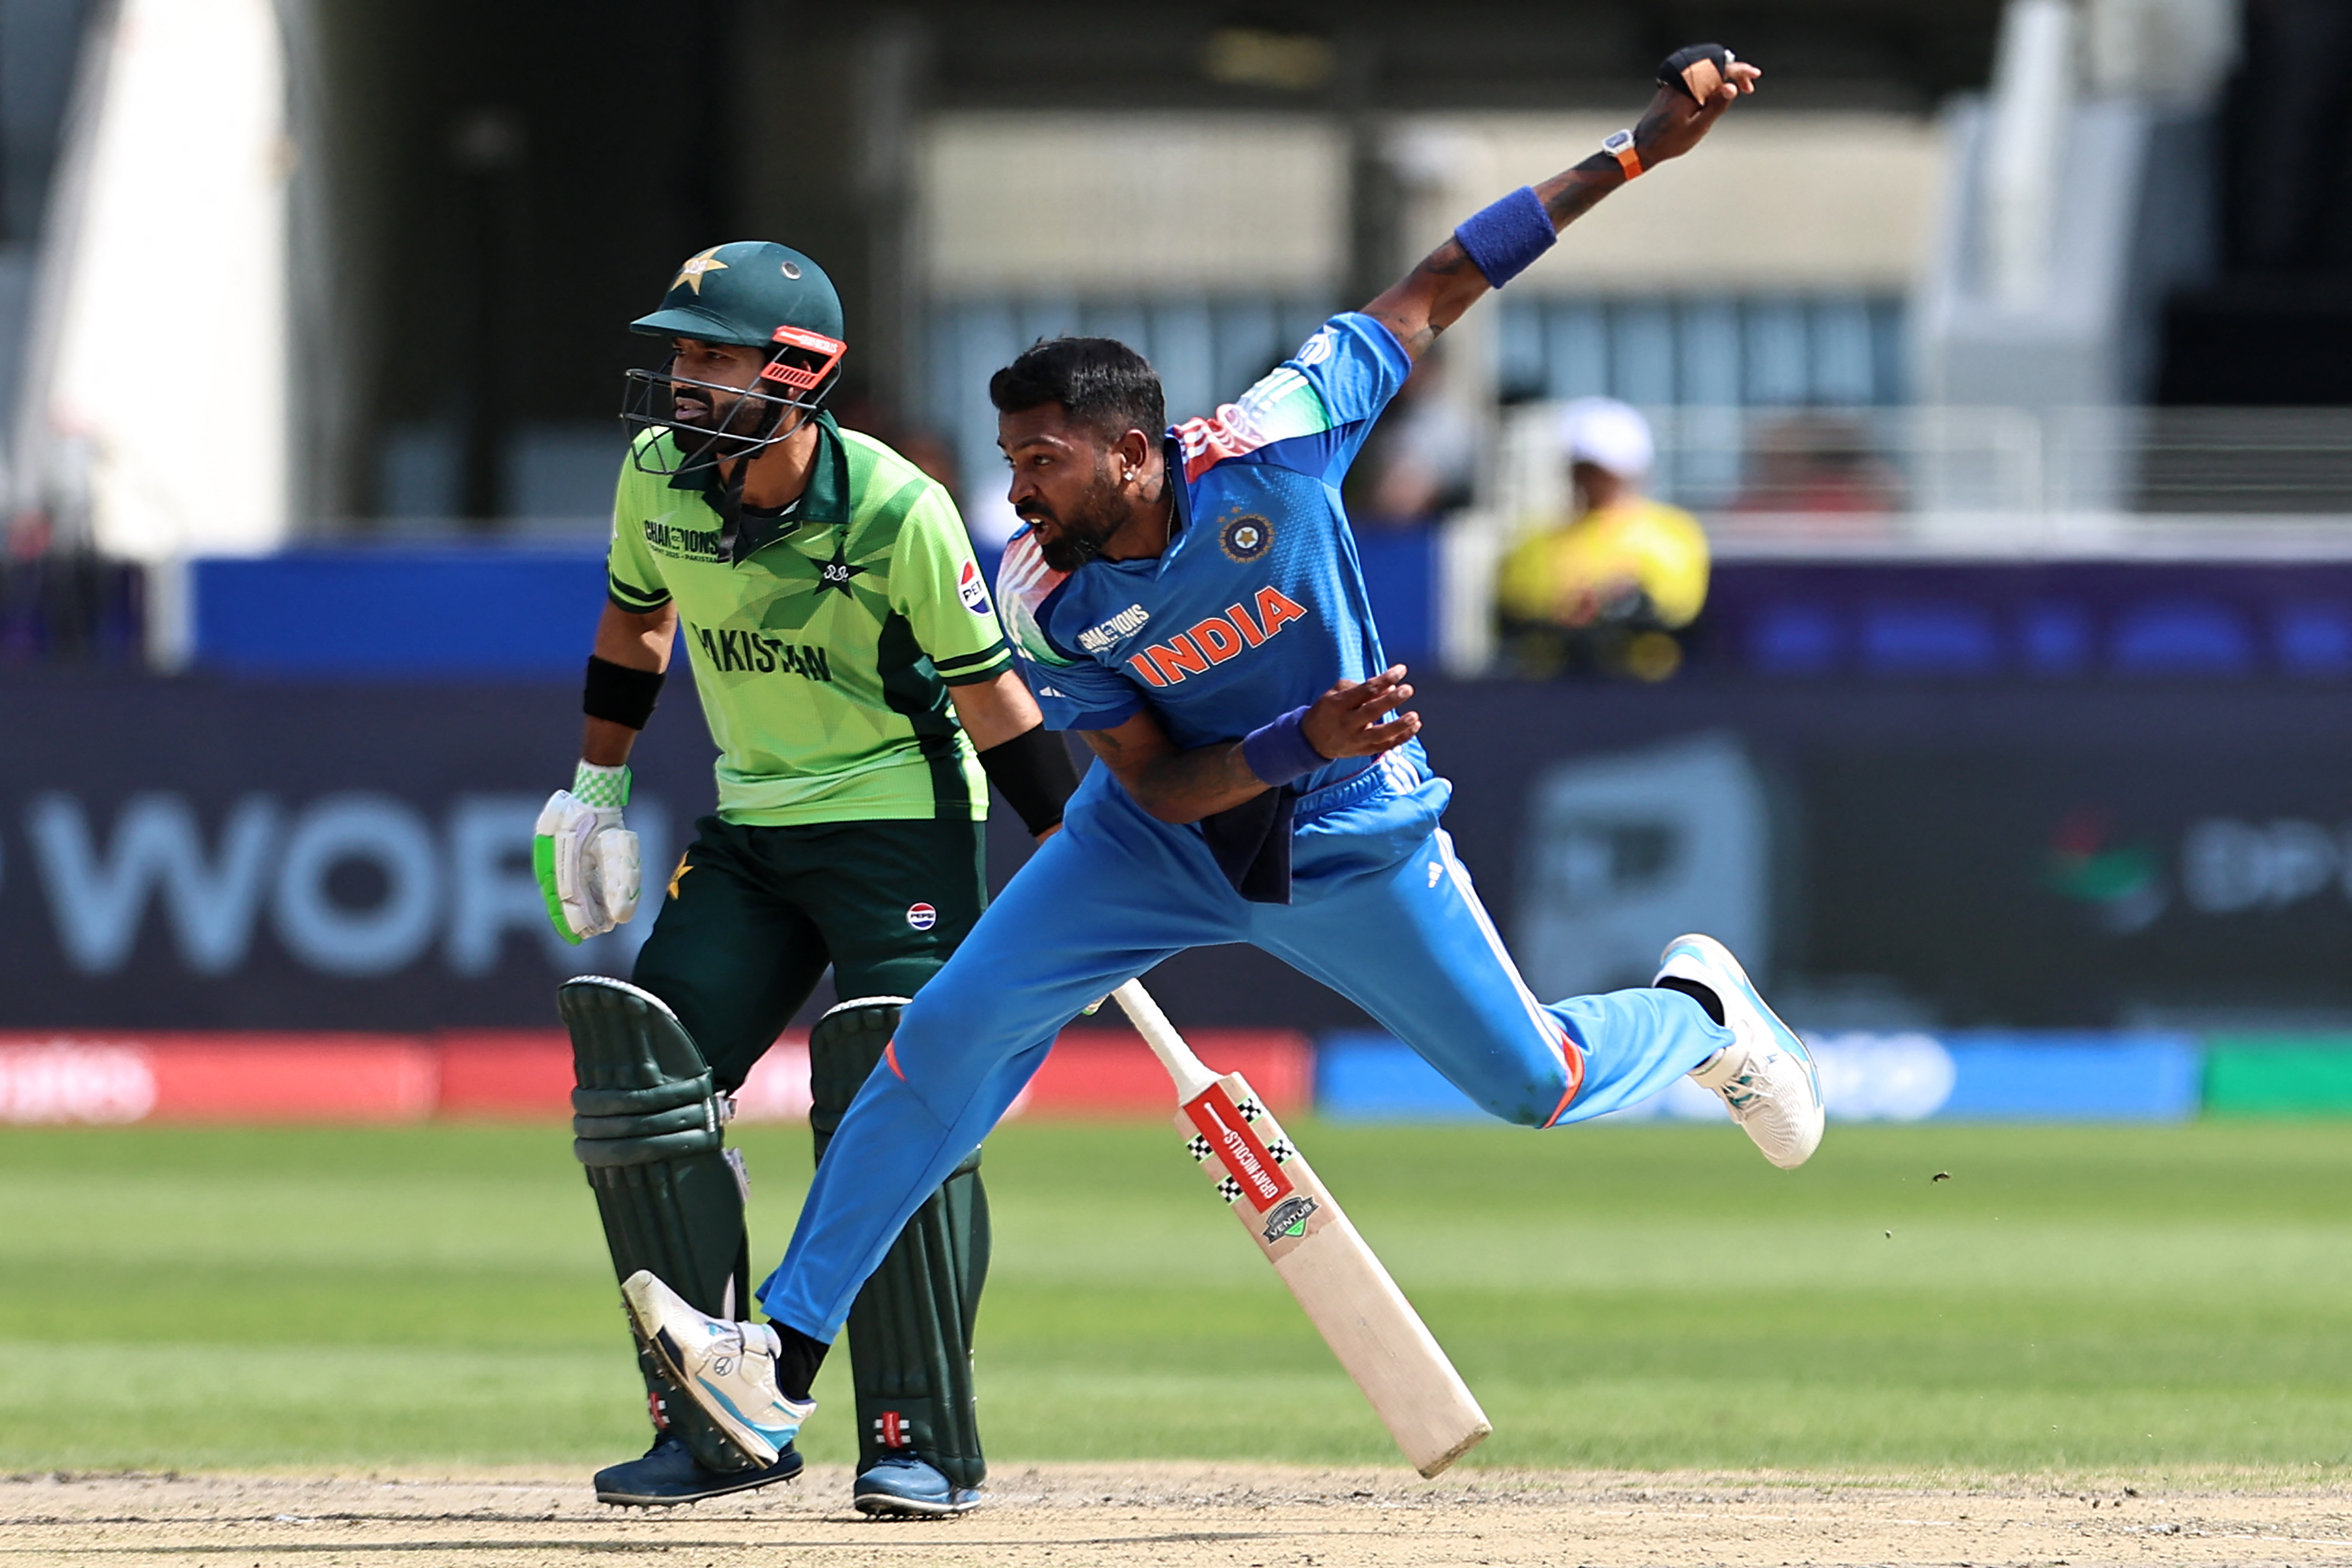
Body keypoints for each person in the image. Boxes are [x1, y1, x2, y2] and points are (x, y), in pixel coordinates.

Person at [622, 47, 1824, 1467]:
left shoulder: (1279, 438)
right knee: (943, 1038)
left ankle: (1697, 1014)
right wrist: (1290, 734)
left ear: (1134, 454)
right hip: (1154, 843)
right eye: (1009, 458)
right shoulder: (1040, 593)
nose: (1015, 488)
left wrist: (1631, 150)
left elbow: (1440, 280)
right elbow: (1156, 784)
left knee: (1533, 1084)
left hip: (1350, 835)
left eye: (1043, 460)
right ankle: (778, 1362)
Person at [531, 241, 1078, 1513]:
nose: (683, 378)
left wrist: (1070, 859)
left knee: (900, 1090)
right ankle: (719, 1425)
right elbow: (637, 619)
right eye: (679, 353)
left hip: (901, 823)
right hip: (752, 824)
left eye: (711, 357)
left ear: (796, 374)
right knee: (645, 1074)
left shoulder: (896, 507)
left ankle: (918, 1435)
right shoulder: (657, 473)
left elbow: (989, 695)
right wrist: (597, 783)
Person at [1495, 397, 1709, 680]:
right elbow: (1515, 612)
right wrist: (1565, 614)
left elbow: (1680, 608)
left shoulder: (1673, 534)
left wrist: (1624, 604)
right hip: (1556, 690)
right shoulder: (1534, 542)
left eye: (1601, 470)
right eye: (1584, 468)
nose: (1591, 480)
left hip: (1647, 689)